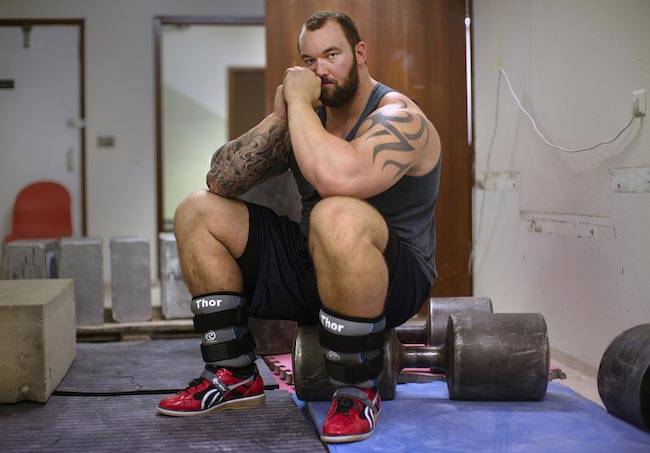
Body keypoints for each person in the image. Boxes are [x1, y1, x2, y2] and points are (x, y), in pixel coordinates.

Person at [157, 10, 441, 444]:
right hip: (311, 267)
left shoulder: (401, 116)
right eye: (308, 61)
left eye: (332, 54)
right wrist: (279, 118)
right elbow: (219, 180)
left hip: (392, 281)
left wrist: (299, 109)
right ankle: (233, 375)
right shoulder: (305, 120)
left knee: (336, 211)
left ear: (360, 54)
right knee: (197, 210)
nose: (320, 70)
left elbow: (338, 180)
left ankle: (358, 391)